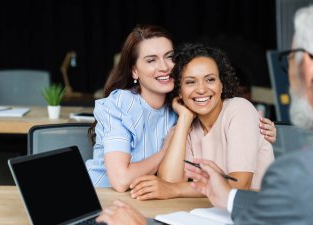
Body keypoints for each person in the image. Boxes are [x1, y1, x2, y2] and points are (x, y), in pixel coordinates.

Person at [96, 0, 313, 225]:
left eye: (290, 59)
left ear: (308, 68)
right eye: (189, 81)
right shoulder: (175, 116)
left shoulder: (299, 174)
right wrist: (228, 196)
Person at [86, 24, 276, 191]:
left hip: (148, 200)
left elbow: (170, 183)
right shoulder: (121, 104)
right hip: (104, 195)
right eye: (151, 60)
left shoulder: (182, 106)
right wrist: (166, 150)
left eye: (169, 57)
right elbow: (122, 181)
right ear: (134, 70)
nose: (164, 67)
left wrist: (257, 132)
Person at [129, 44, 274, 200]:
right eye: (190, 82)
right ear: (179, 90)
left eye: (210, 79)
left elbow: (239, 186)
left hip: (261, 213)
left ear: (221, 84)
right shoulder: (186, 127)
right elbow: (169, 182)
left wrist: (175, 189)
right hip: (217, 213)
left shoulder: (239, 110)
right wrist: (184, 118)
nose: (201, 89)